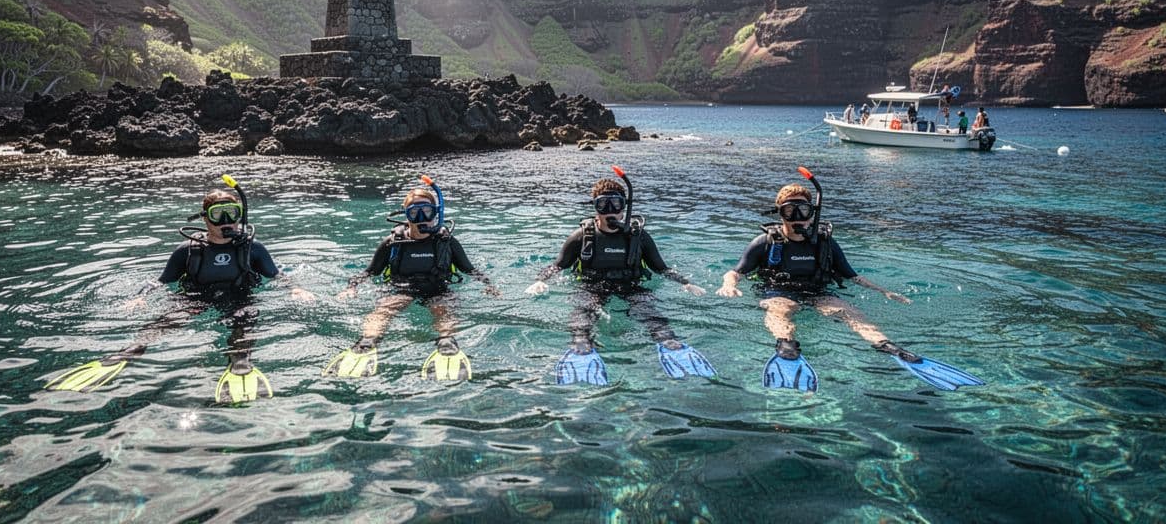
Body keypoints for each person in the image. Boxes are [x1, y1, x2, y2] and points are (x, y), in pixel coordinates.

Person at [45, 176, 313, 403]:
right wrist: (141, 297)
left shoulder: (252, 248)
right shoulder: (187, 251)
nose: (226, 222)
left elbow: (276, 275)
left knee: (243, 325)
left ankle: (240, 365)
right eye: (217, 216)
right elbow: (161, 281)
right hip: (196, 297)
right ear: (205, 220)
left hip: (240, 297)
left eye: (232, 214)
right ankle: (125, 354)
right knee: (168, 321)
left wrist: (295, 289)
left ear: (240, 216)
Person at [717, 169, 983, 393]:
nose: (798, 218)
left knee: (845, 310)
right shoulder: (765, 242)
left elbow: (851, 275)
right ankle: (787, 349)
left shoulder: (825, 243)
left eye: (803, 210)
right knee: (782, 308)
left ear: (813, 213)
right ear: (779, 214)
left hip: (817, 291)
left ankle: (889, 347)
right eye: (790, 211)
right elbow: (736, 271)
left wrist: (884, 291)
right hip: (777, 291)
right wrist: (729, 284)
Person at [525, 167, 713, 385]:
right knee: (582, 313)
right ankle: (581, 349)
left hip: (630, 285)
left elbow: (661, 268)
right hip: (591, 285)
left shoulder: (638, 237)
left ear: (624, 208)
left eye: (616, 204)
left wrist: (686, 283)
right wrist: (540, 280)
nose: (610, 211)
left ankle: (672, 346)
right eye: (602, 205)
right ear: (595, 208)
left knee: (648, 311)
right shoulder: (581, 237)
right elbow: (558, 265)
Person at [325, 176, 499, 382]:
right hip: (401, 289)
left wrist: (489, 285)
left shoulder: (447, 242)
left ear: (436, 214)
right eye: (414, 213)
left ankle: (446, 344)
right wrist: (351, 287)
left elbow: (471, 270)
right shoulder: (393, 243)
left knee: (442, 308)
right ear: (406, 216)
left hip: (438, 289)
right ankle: (366, 344)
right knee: (386, 307)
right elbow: (369, 272)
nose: (421, 218)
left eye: (427, 211)